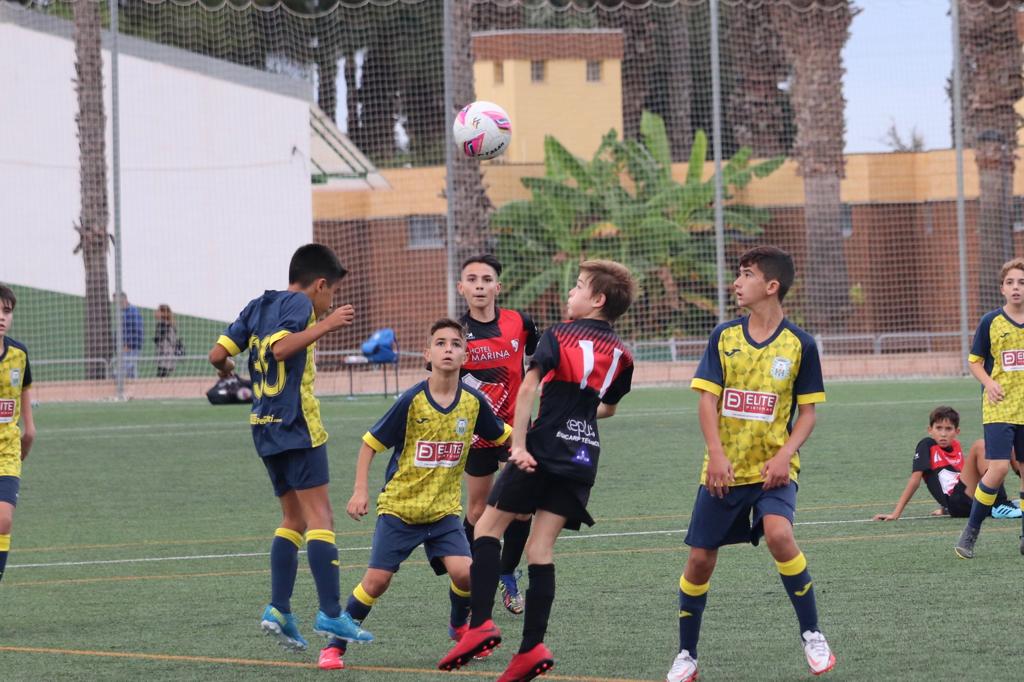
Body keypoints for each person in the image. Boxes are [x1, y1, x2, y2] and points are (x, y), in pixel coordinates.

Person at [439, 259, 635, 681]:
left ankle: (480, 625)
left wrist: (521, 445)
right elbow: (610, 407)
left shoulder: (558, 335)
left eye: (579, 287)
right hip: (583, 457)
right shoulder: (622, 354)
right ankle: (530, 648)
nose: (571, 293)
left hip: (542, 449)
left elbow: (528, 388)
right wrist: (575, 424)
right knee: (541, 550)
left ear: (597, 300)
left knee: (487, 528)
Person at [666, 246, 834, 682]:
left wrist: (784, 456)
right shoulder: (724, 337)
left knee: (780, 534)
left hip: (773, 472)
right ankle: (687, 655)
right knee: (700, 561)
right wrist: (716, 455)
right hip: (724, 471)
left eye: (745, 275)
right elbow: (708, 400)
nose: (736, 283)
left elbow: (808, 414)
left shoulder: (801, 344)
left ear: (771, 286)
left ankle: (813, 634)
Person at [317, 318, 512, 671]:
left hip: (443, 512)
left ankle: (459, 625)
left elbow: (503, 436)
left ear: (465, 354)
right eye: (440, 343)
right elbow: (369, 444)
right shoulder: (412, 400)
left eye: (455, 343)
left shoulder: (473, 403)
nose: (448, 349)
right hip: (400, 509)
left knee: (466, 574)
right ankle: (334, 646)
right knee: (376, 582)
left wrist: (531, 449)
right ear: (428, 353)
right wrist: (360, 490)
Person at [208, 243, 373, 654]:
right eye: (330, 295)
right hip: (296, 424)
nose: (329, 303)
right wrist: (328, 324)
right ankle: (331, 611)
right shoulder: (300, 305)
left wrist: (227, 367)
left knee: (293, 518)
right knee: (321, 517)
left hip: (263, 427)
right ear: (319, 285)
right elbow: (282, 349)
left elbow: (217, 354)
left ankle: (279, 608)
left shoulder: (257, 305)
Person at [457, 254, 539, 615]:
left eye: (486, 279)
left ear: (497, 287)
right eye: (472, 279)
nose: (479, 285)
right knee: (477, 509)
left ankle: (506, 574)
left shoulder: (520, 323)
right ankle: (472, 572)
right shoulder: (454, 333)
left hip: (516, 431)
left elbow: (537, 364)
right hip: (475, 434)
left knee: (521, 511)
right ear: (461, 288)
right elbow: (442, 380)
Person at [955, 257, 1024, 558]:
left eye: (1021, 282)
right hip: (999, 407)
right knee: (997, 468)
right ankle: (970, 533)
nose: (1016, 288)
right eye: (1010, 282)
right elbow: (974, 361)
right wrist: (990, 383)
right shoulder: (991, 322)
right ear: (1001, 289)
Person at [872, 406, 1020, 521]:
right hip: (958, 503)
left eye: (948, 429)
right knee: (981, 445)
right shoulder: (927, 445)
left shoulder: (956, 446)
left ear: (957, 431)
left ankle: (1000, 503)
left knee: (1003, 445)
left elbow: (953, 479)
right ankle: (999, 504)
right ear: (930, 430)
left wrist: (944, 508)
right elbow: (915, 480)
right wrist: (895, 513)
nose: (943, 434)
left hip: (964, 500)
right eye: (938, 428)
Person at [0, 284, 35, 585]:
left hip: (6, 451)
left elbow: (24, 389)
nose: (2, 317)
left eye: (7, 311)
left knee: (4, 519)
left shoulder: (18, 353)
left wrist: (30, 430)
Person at [117, 293, 144, 379]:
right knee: (130, 369)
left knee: (127, 366)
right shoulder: (125, 312)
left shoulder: (132, 311)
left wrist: (129, 344)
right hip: (129, 345)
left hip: (131, 345)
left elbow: (136, 329)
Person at [154, 304, 182, 378]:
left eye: (158, 311)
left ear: (163, 313)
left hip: (166, 356)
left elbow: (160, 340)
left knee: (161, 378)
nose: (155, 313)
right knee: (163, 377)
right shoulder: (167, 325)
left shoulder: (164, 325)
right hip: (165, 356)